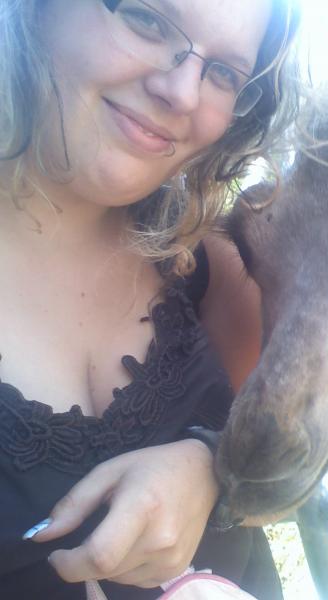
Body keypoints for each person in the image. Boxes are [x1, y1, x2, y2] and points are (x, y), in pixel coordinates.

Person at [0, 1, 300, 598]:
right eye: (146, 18)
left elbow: (290, 469)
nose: (183, 93)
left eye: (223, 73)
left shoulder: (208, 257)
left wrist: (210, 468)